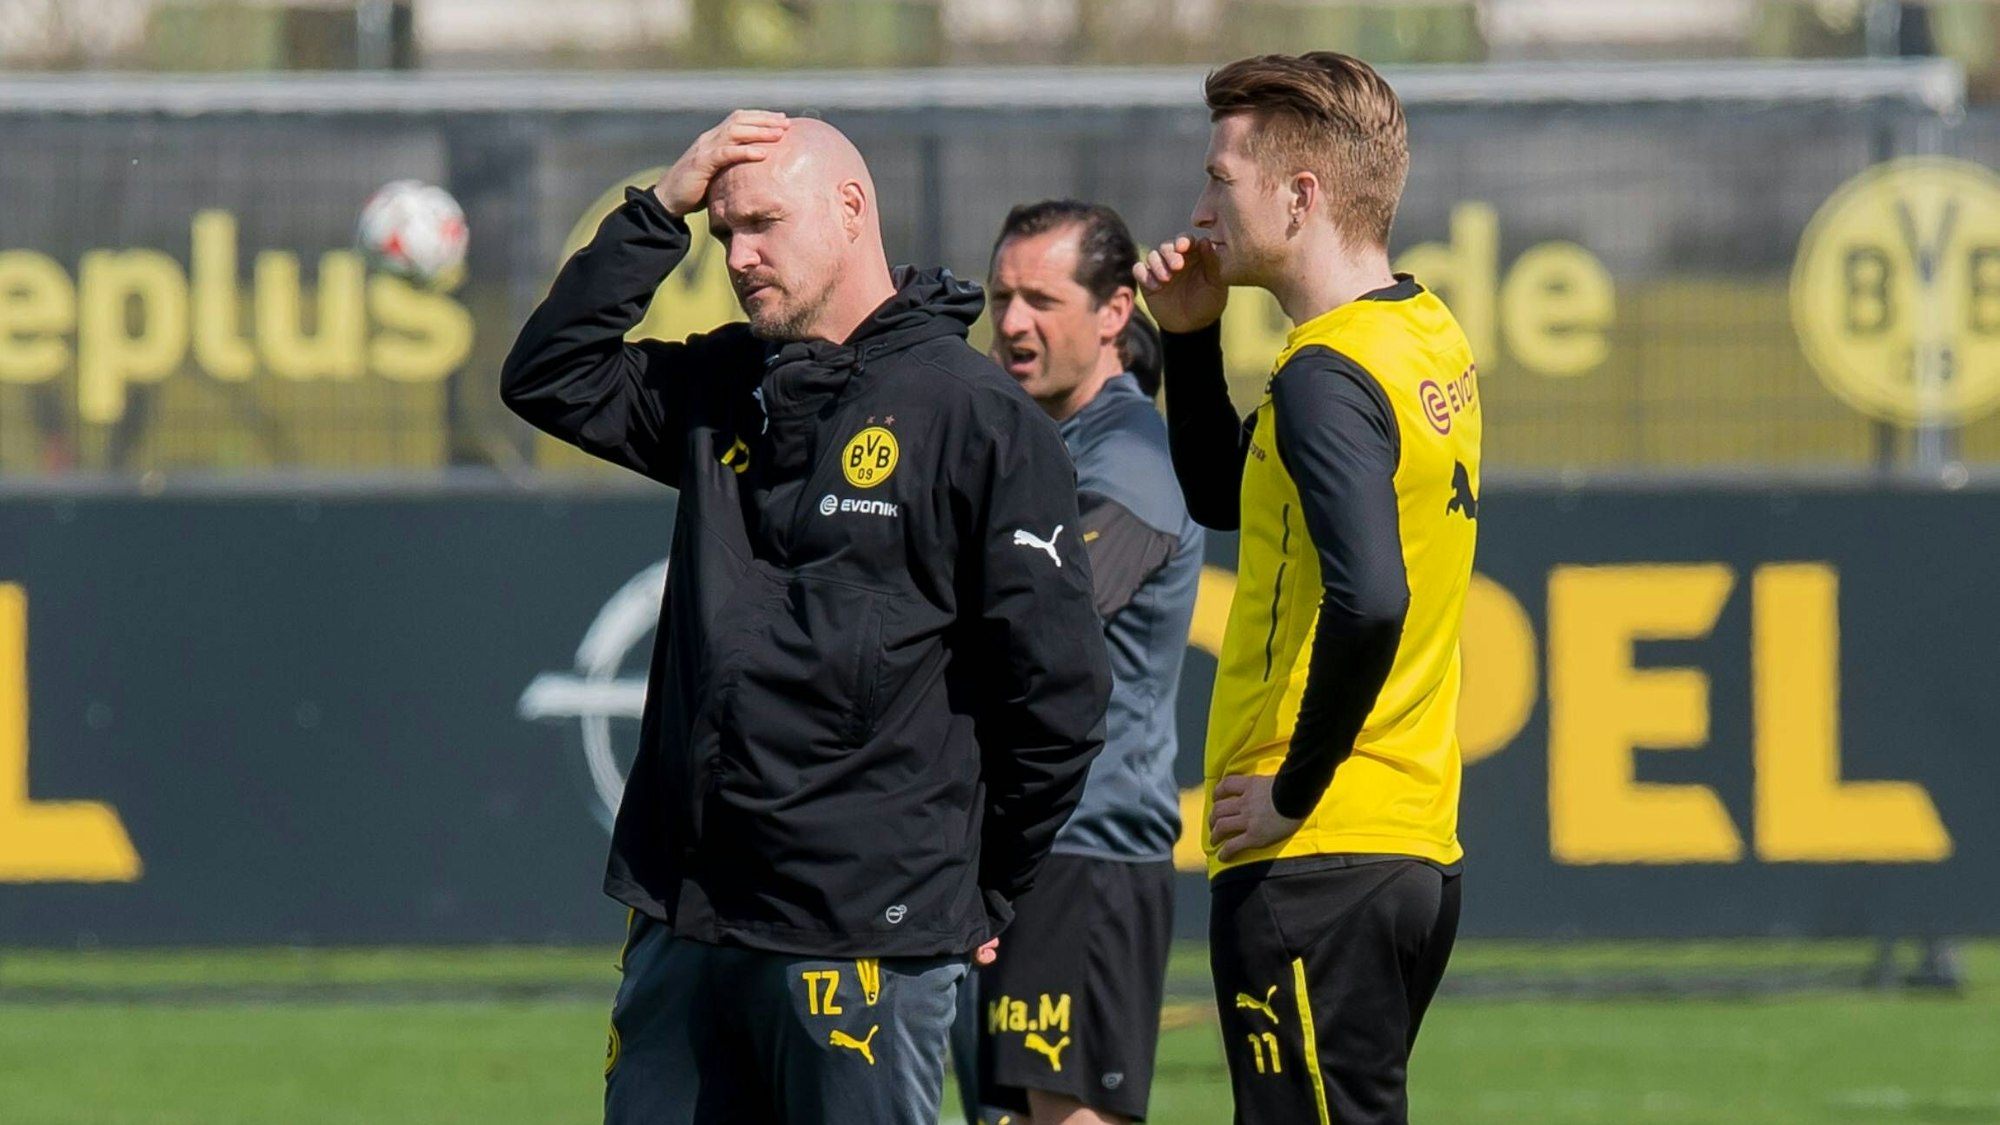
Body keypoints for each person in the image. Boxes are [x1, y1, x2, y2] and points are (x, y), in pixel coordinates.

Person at [501, 110, 1111, 1125]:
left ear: (849, 207)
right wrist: (660, 204)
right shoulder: (726, 386)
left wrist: (974, 885)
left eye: (763, 226)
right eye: (721, 233)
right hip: (686, 921)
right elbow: (549, 375)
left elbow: (1056, 695)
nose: (739, 257)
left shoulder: (973, 415)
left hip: (863, 934)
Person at [1134, 53, 1481, 1125]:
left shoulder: (1327, 375)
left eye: (1219, 180)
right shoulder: (1420, 334)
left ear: (1300, 196)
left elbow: (1367, 598)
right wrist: (1187, 345)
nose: (1197, 209)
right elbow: (1220, 494)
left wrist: (1293, 790)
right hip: (1409, 846)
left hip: (1316, 860)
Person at [967, 200, 1203, 1125]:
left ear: (1113, 313)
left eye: (1041, 299)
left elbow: (1039, 624)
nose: (1013, 321)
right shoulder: (1042, 439)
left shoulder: (1132, 458)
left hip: (1086, 853)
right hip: (1025, 853)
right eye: (1001, 296)